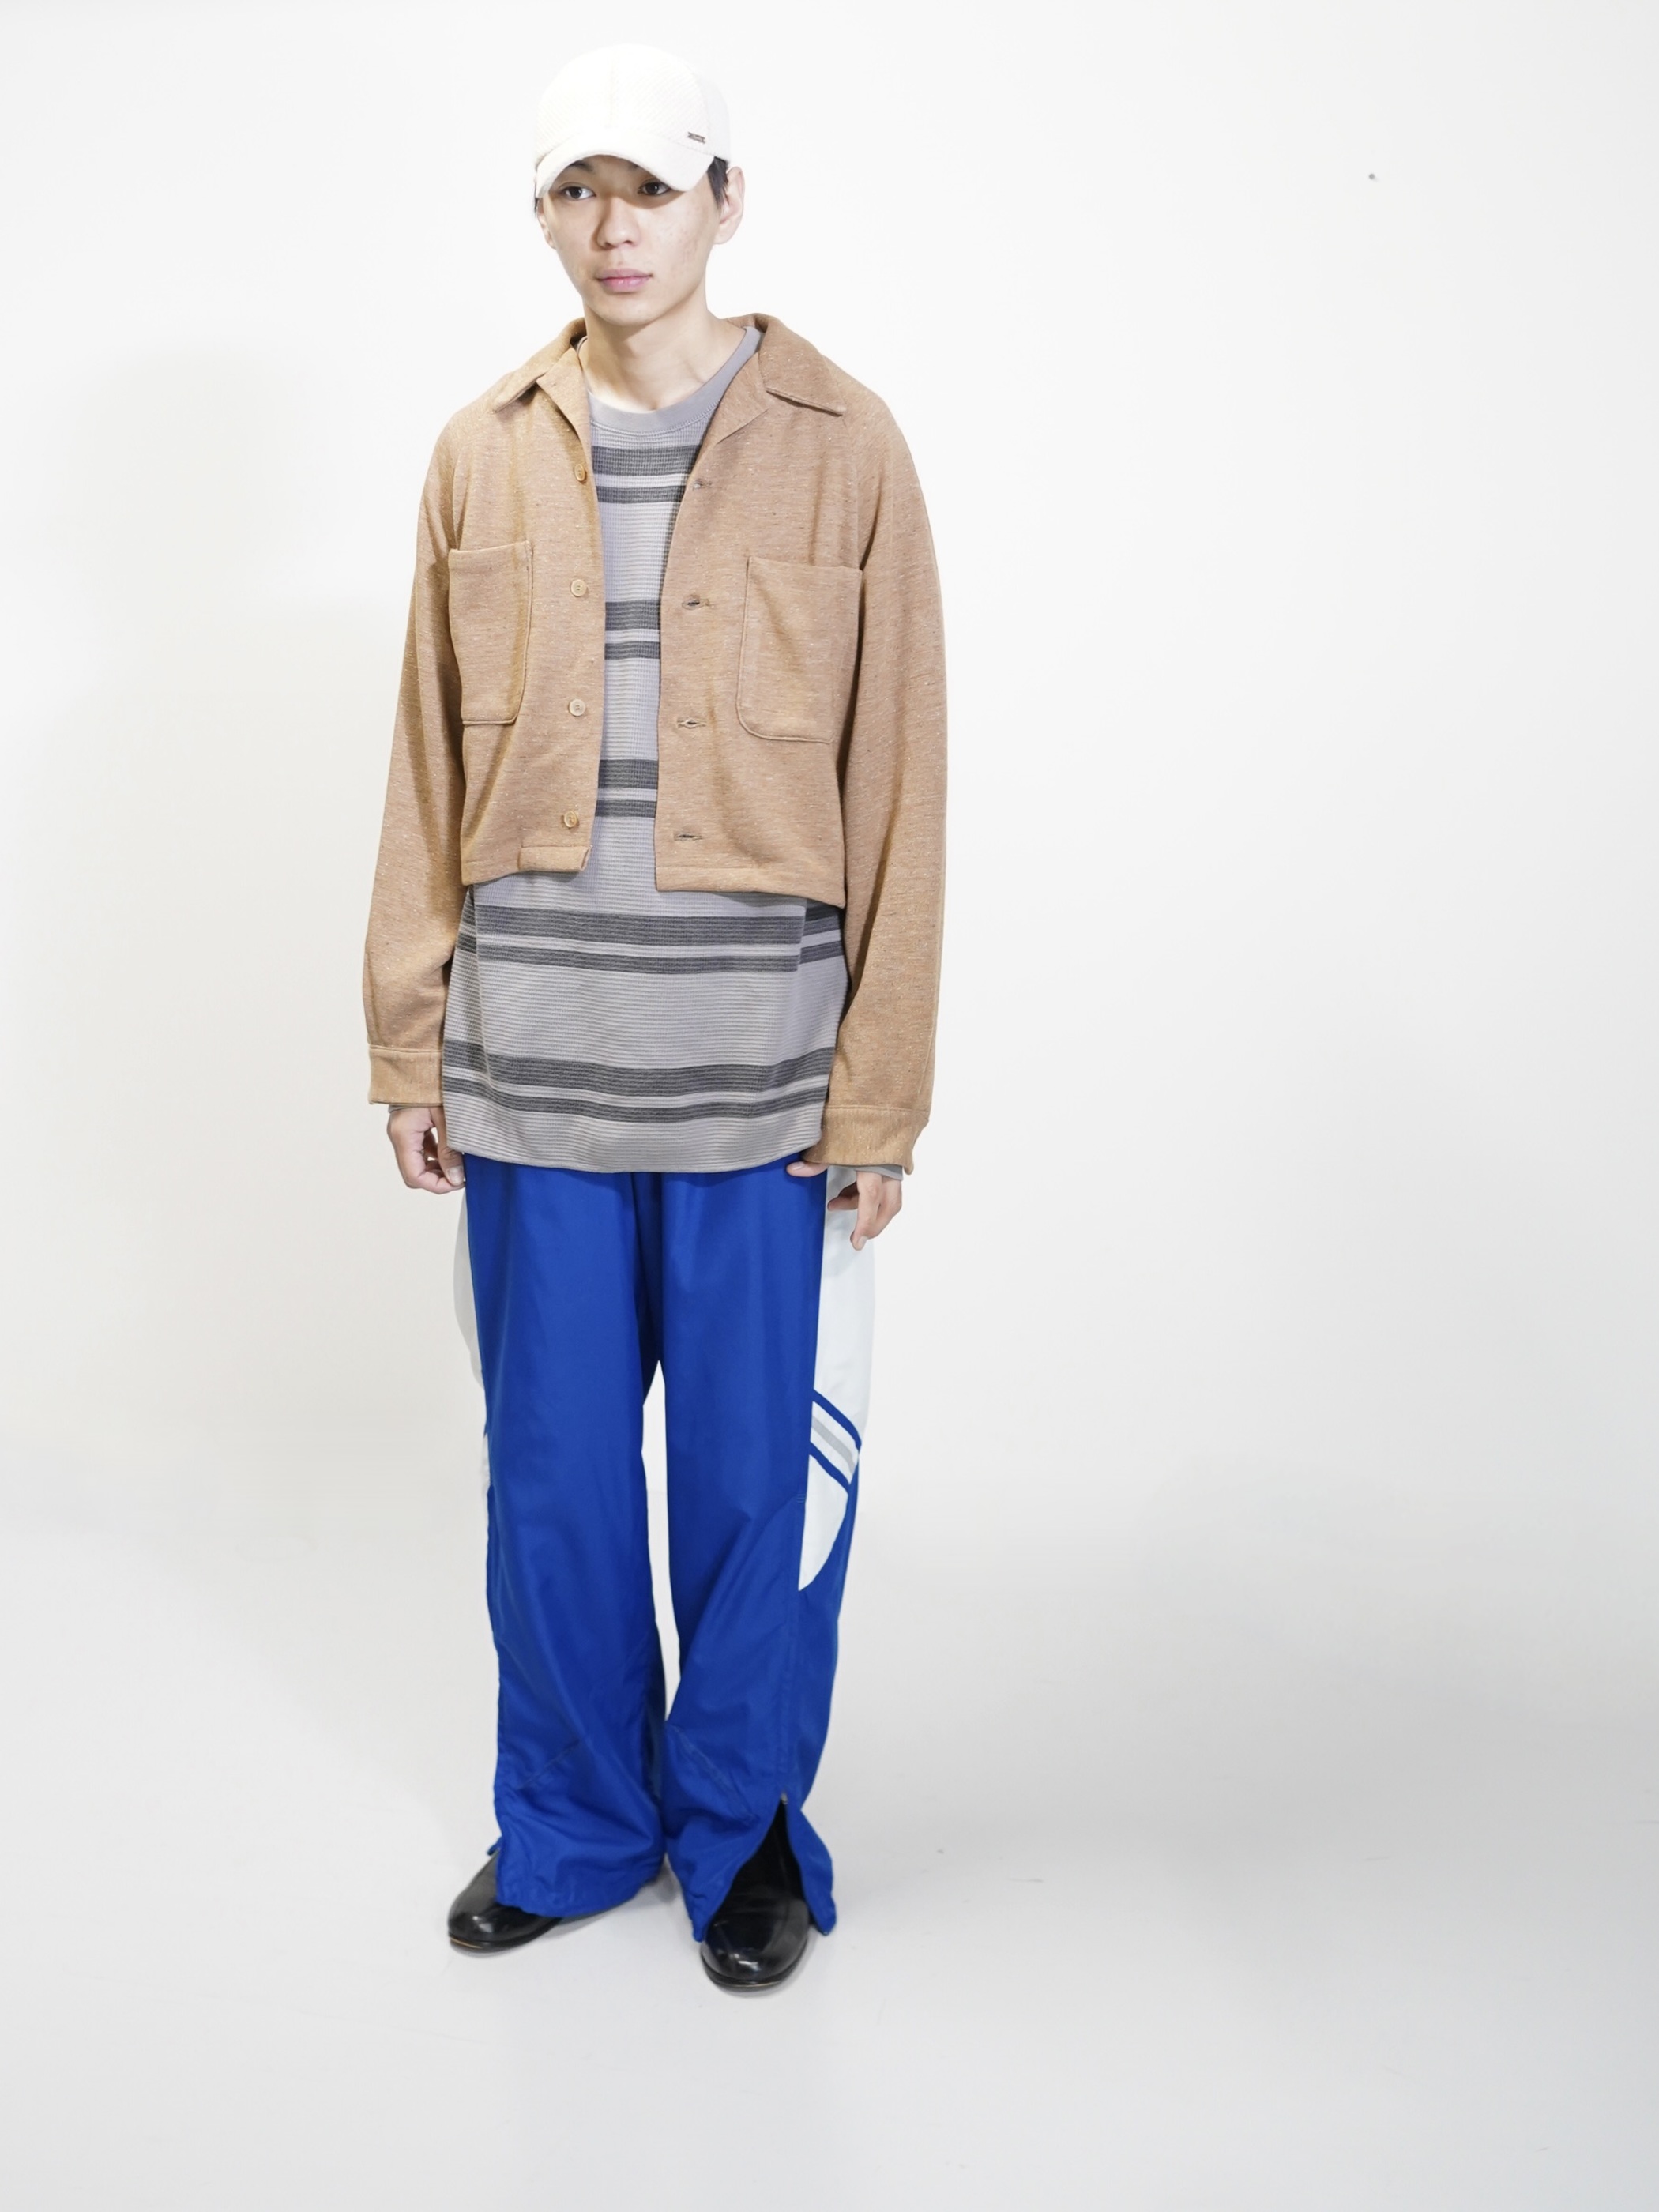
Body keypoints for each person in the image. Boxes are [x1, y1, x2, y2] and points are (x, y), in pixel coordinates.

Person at [363, 43, 945, 1991]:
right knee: (553, 1496)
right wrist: (407, 1038)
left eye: (650, 185)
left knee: (754, 1495)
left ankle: (743, 1828)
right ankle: (575, 1823)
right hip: (527, 1078)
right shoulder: (481, 448)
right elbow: (425, 769)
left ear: (724, 200)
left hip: (763, 1094)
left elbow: (902, 778)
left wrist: (881, 1092)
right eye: (575, 190)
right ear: (546, 216)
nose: (613, 226)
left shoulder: (845, 444)